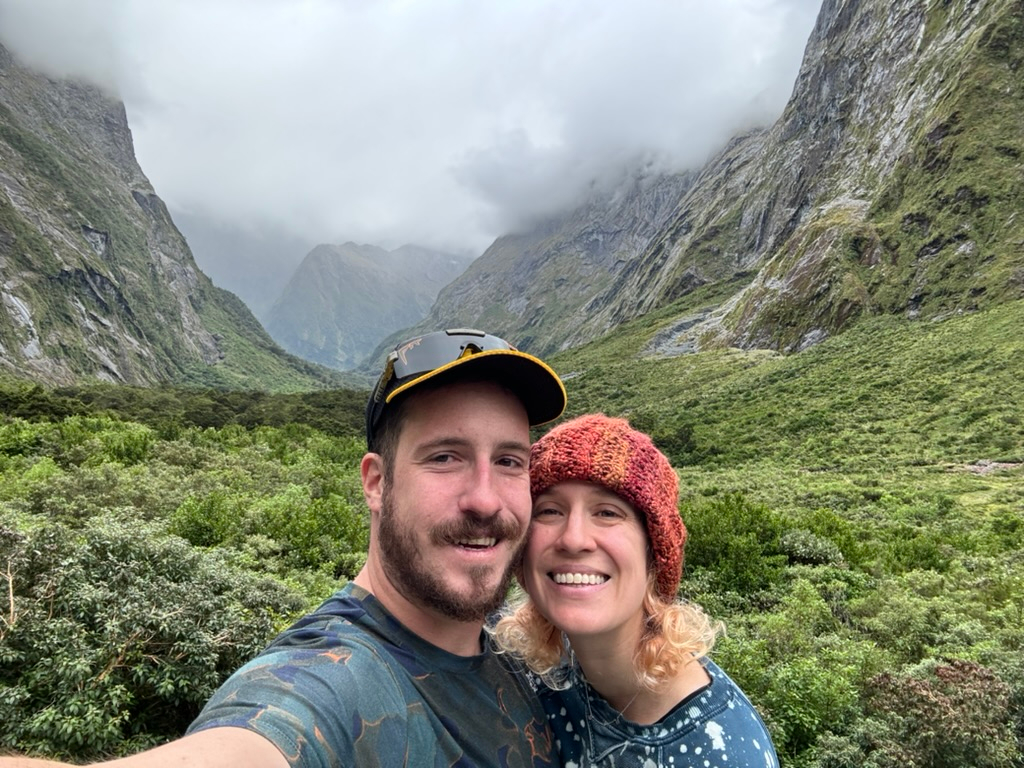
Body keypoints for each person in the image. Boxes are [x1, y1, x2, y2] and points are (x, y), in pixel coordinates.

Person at [1, 328, 566, 768]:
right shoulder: (326, 683)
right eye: (445, 456)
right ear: (376, 482)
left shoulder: (519, 650)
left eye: (510, 461)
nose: (486, 500)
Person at [491, 414, 779, 767]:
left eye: (608, 513)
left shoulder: (724, 752)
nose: (574, 538)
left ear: (654, 554)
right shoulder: (522, 660)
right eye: (549, 510)